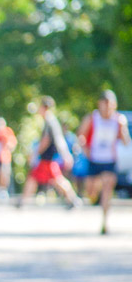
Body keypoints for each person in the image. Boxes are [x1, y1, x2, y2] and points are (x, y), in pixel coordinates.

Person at [77, 90, 130, 234]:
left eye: (110, 104)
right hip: (94, 159)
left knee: (108, 187)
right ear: (99, 104)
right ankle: (98, 187)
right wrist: (84, 149)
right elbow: (80, 135)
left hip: (110, 160)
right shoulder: (91, 118)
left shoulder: (119, 120)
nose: (107, 108)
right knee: (91, 192)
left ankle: (104, 223)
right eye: (104, 104)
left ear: (114, 105)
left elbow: (126, 142)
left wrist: (123, 128)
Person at [17, 97, 81, 210]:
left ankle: (73, 199)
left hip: (47, 158)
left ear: (44, 107)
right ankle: (23, 201)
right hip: (48, 158)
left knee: (54, 179)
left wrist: (36, 152)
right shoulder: (52, 121)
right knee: (40, 178)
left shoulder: (49, 121)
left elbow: (46, 141)